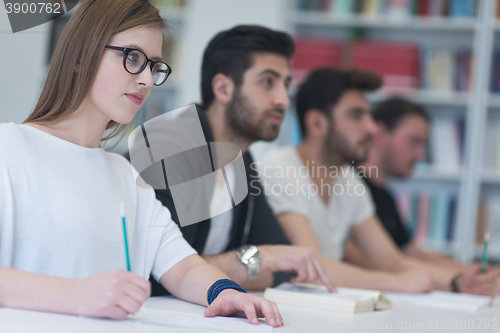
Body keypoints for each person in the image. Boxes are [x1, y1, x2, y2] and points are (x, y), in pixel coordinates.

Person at [0, 0, 284, 327]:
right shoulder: (9, 148)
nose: (147, 80)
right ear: (80, 57)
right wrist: (77, 294)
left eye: (154, 66)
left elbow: (182, 266)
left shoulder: (125, 176)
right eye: (133, 57)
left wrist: (225, 292)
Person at [259, 68, 498, 296]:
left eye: (369, 115)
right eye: (356, 115)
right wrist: (398, 283)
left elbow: (391, 260)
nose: (372, 128)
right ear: (317, 124)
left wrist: (457, 282)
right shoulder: (280, 168)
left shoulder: (348, 180)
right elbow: (312, 268)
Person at [148, 25, 333, 295]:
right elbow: (162, 272)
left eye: (286, 84)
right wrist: (258, 259)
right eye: (268, 82)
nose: (283, 100)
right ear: (223, 89)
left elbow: (283, 262)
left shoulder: (242, 159)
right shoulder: (168, 148)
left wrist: (251, 262)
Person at [345, 97, 500, 293]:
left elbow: (410, 253)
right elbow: (378, 264)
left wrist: (475, 273)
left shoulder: (384, 195)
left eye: (423, 145)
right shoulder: (348, 187)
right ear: (380, 133)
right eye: (414, 141)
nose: (421, 155)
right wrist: (457, 281)